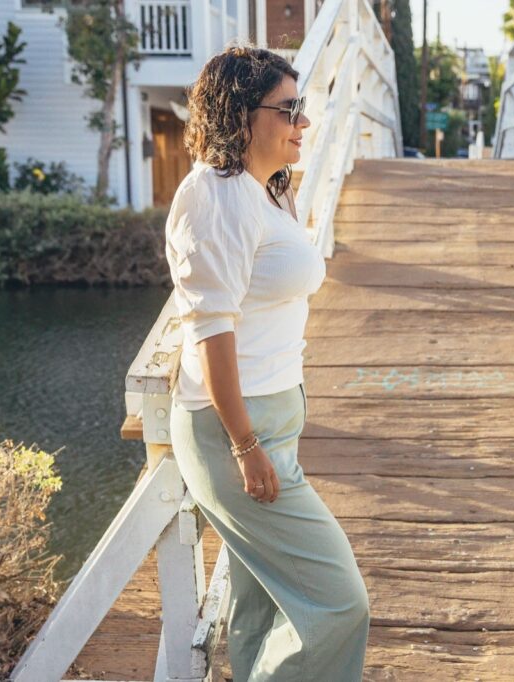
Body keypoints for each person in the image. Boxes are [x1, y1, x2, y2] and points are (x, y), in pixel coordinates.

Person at [165, 47, 369, 681]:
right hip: (234, 430)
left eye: (301, 110)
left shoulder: (262, 191)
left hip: (273, 420)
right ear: (241, 113)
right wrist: (245, 443)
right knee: (340, 603)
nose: (302, 123)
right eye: (289, 110)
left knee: (263, 599)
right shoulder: (215, 197)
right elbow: (211, 333)